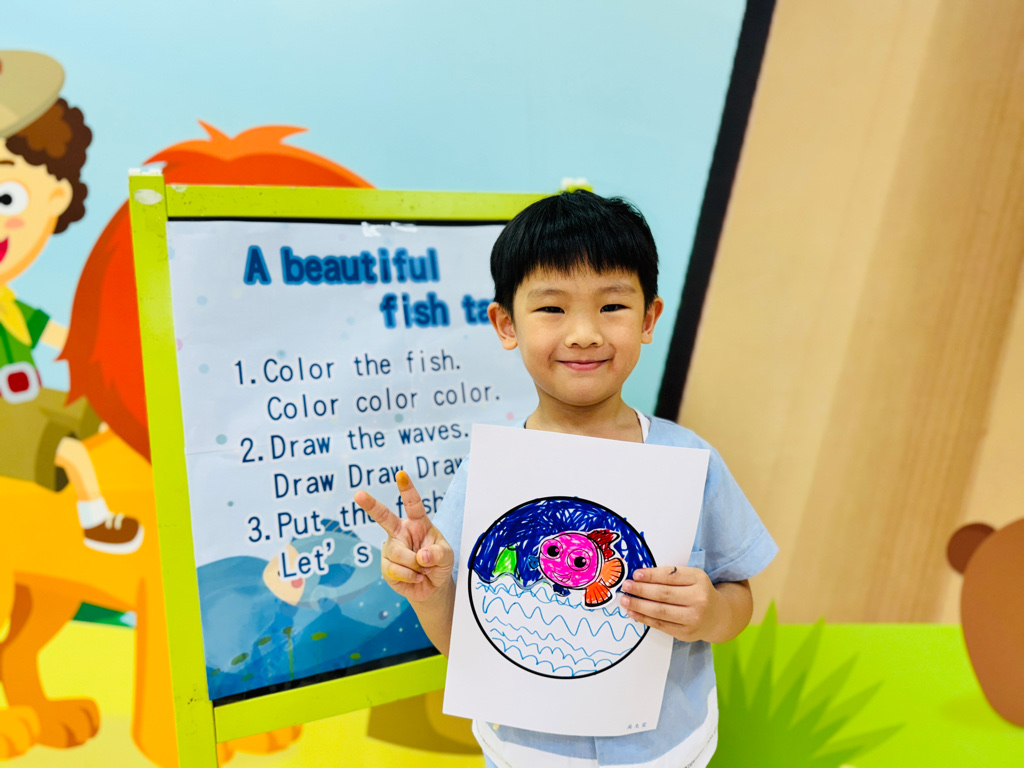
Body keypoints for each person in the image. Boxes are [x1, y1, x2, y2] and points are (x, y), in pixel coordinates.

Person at [355, 190, 777, 768]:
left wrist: (711, 614)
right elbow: (466, 643)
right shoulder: (488, 473)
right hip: (525, 753)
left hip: (668, 749)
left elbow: (737, 597)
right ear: (506, 324)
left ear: (649, 319)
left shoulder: (691, 460)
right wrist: (427, 596)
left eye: (612, 306)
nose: (584, 333)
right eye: (552, 309)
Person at [0, 50, 143, 553]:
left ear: (56, 196)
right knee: (70, 451)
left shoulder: (11, 306)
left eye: (6, 198)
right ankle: (96, 519)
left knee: (92, 411)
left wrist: (105, 353)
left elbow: (58, 335)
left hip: (22, 399)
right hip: (7, 418)